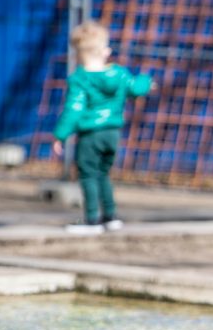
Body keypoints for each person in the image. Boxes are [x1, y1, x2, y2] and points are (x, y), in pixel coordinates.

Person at [52, 21, 153, 234]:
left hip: (91, 134)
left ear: (78, 54)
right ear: (105, 51)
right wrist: (146, 81)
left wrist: (60, 135)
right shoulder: (119, 74)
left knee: (88, 174)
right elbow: (136, 87)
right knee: (103, 174)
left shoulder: (81, 79)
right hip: (112, 133)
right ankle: (110, 216)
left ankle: (92, 220)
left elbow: (74, 108)